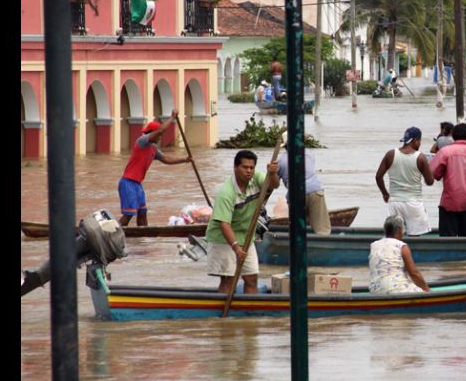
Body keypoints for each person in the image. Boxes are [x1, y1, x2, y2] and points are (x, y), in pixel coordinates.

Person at [206, 150, 280, 294]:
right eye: (244, 167)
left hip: (246, 236)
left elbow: (273, 186)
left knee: (251, 278)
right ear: (235, 167)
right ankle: (222, 313)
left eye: (251, 168)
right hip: (223, 239)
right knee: (228, 279)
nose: (248, 171)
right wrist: (236, 247)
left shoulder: (256, 178)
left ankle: (250, 313)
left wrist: (273, 173)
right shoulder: (226, 193)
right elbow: (224, 224)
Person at [117, 110, 192, 227]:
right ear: (152, 133)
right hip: (128, 182)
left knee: (142, 214)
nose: (160, 137)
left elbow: (166, 159)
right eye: (158, 135)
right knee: (129, 215)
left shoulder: (153, 149)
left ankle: (143, 240)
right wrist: (172, 118)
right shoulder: (142, 141)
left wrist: (184, 160)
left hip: (137, 184)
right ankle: (114, 234)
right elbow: (161, 130)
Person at [430, 123, 466, 237]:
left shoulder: (445, 152)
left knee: (447, 240)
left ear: (453, 136)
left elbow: (434, 173)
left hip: (448, 203)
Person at [375, 126, 434, 236]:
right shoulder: (421, 158)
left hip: (395, 202)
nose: (420, 144)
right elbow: (430, 182)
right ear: (416, 140)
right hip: (414, 203)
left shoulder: (391, 154)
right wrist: (429, 169)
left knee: (392, 236)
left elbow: (378, 177)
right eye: (420, 141)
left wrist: (385, 193)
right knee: (415, 236)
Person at [277, 131, 332, 235]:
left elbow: (274, 183)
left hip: (295, 195)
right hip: (314, 191)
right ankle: (323, 243)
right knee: (322, 229)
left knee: (297, 231)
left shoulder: (280, 161)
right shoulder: (309, 153)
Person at [368, 215, 430, 294]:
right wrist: (426, 289)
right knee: (420, 291)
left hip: (375, 290)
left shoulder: (374, 245)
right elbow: (414, 273)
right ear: (399, 230)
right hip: (395, 289)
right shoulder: (401, 246)